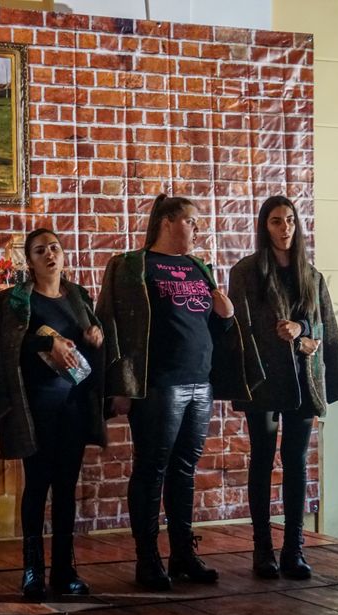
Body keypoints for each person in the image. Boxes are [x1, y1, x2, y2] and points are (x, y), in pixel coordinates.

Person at [96, 194, 258, 592]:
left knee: (184, 470)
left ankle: (183, 553)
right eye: (191, 221)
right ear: (167, 222)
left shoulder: (198, 268)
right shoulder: (133, 266)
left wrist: (227, 317)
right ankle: (147, 558)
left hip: (200, 382)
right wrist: (119, 385)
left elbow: (212, 327)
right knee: (152, 469)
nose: (197, 229)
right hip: (159, 384)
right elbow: (112, 324)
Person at [228, 195, 338, 580]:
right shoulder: (246, 272)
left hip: (301, 378)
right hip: (263, 378)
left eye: (291, 220)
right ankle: (262, 548)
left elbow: (323, 325)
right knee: (262, 459)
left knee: (296, 461)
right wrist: (288, 336)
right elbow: (240, 327)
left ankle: (294, 549)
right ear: (265, 227)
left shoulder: (310, 275)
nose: (285, 228)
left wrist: (305, 332)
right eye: (277, 221)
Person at [0, 229, 106, 600]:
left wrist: (96, 338)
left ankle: (65, 570)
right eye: (40, 251)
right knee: (37, 485)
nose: (49, 255)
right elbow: (6, 345)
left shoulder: (78, 297)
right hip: (35, 405)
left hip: (73, 404)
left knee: (66, 487)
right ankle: (33, 570)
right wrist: (46, 341)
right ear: (30, 261)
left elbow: (88, 351)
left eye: (54, 248)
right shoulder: (15, 300)